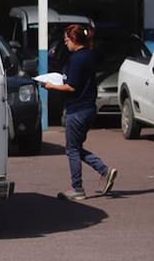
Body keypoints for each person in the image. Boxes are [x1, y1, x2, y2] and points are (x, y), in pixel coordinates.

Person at [42, 23, 117, 201]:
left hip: (77, 110)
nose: (65, 43)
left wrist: (52, 86)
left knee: (72, 150)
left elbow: (71, 86)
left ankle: (78, 188)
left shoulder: (77, 59)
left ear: (74, 39)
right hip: (89, 108)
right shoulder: (90, 55)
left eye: (67, 40)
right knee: (75, 147)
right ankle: (104, 171)